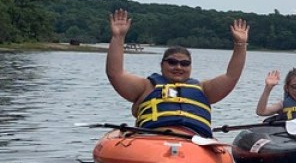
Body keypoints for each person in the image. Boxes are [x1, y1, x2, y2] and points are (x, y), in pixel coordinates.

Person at [105, 8, 250, 138]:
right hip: (152, 139)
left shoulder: (204, 89)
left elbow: (232, 75)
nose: (178, 67)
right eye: (172, 62)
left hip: (194, 142)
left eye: (185, 63)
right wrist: (118, 37)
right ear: (162, 65)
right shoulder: (145, 87)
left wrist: (240, 45)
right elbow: (115, 74)